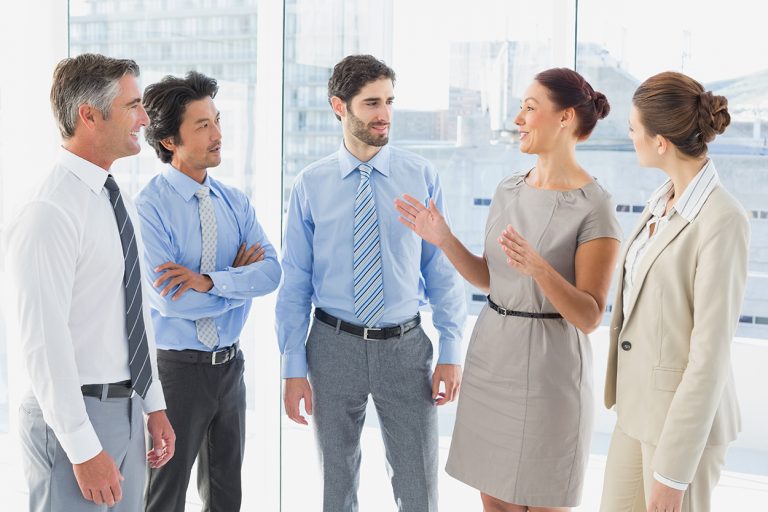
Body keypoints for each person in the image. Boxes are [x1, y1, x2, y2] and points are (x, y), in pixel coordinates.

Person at [396, 68, 621, 511]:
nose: (519, 118)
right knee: (494, 501)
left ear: (565, 118)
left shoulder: (595, 207)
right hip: (493, 357)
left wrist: (540, 269)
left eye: (530, 108)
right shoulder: (508, 189)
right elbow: (489, 278)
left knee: (543, 498)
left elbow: (590, 315)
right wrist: (443, 238)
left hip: (549, 372)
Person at [276, 54, 466, 512]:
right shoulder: (310, 184)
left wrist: (452, 351)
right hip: (331, 343)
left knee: (418, 485)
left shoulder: (421, 176)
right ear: (339, 107)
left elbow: (440, 270)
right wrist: (292, 366)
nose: (383, 114)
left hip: (404, 347)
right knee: (335, 486)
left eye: (389, 102)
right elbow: (295, 284)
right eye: (371, 103)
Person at [4, 53, 175, 511]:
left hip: (127, 409)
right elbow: (44, 343)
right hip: (74, 419)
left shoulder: (113, 199)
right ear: (89, 114)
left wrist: (153, 404)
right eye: (132, 106)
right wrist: (82, 448)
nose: (144, 118)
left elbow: (135, 312)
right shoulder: (49, 212)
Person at [600, 72, 749, 512]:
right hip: (636, 412)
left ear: (660, 141)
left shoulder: (723, 219)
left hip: (681, 430)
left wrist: (674, 470)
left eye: (633, 129)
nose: (630, 137)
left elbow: (710, 356)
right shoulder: (661, 202)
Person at [137, 71, 281, 511]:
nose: (218, 134)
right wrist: (238, 281)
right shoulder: (149, 207)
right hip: (176, 373)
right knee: (165, 495)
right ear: (168, 141)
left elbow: (272, 273)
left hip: (230, 368)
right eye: (202, 125)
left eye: (217, 121)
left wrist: (211, 280)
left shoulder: (235, 202)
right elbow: (170, 299)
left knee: (225, 495)